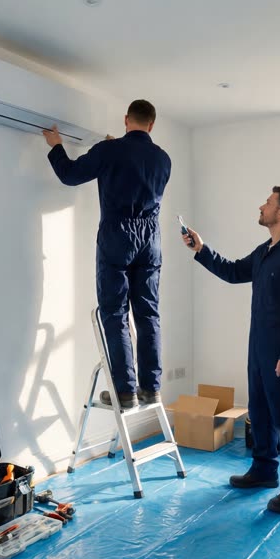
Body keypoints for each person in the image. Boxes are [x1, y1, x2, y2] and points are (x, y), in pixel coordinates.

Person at [184, 187, 280, 513]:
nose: (262, 206)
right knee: (258, 412)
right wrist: (201, 249)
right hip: (258, 349)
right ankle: (263, 471)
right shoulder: (265, 251)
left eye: (268, 203)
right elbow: (232, 272)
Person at [42, 100, 170, 410]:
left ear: (126, 120)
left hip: (118, 235)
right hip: (150, 238)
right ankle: (151, 389)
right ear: (152, 125)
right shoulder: (163, 159)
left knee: (115, 313)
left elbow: (70, 175)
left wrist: (56, 146)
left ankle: (125, 392)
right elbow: (135, 168)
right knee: (148, 314)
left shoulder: (109, 151)